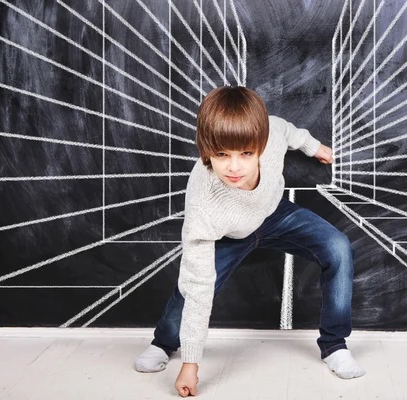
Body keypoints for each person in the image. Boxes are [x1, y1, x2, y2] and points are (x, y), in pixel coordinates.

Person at [134, 86, 365, 397]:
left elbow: (286, 129)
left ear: (261, 144)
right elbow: (198, 288)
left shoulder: (271, 136)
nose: (234, 167)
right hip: (228, 233)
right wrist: (191, 365)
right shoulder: (202, 204)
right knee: (192, 287)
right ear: (205, 151)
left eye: (245, 154)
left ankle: (334, 344)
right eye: (221, 155)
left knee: (338, 248)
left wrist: (314, 147)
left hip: (274, 213)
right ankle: (164, 343)